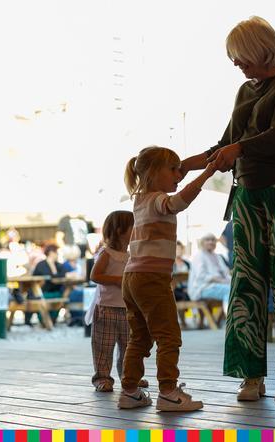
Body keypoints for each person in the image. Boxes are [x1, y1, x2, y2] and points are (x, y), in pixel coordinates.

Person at [180, 16, 275, 404]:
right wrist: (186, 164)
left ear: (260, 48)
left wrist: (239, 149)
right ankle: (250, 375)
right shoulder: (244, 91)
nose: (235, 64)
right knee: (244, 282)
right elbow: (227, 142)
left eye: (239, 55)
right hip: (247, 191)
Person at [118, 145, 217, 411]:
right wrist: (207, 173)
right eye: (173, 169)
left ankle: (129, 391)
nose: (179, 174)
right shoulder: (156, 200)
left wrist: (185, 166)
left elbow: (172, 184)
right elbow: (178, 202)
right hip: (151, 277)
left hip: (132, 277)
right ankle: (168, 392)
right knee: (169, 336)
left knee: (139, 337)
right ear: (152, 173)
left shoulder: (139, 199)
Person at [88, 210, 148, 393]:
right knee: (103, 346)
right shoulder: (107, 253)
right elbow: (95, 275)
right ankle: (102, 378)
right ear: (120, 230)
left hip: (127, 308)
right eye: (133, 227)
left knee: (129, 346)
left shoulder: (131, 255)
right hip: (106, 308)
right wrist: (117, 280)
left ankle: (129, 376)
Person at [188, 233, 231, 311]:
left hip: (217, 285)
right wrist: (218, 280)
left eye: (213, 240)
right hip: (202, 288)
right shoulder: (199, 256)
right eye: (207, 240)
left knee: (236, 288)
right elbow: (201, 276)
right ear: (202, 242)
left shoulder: (217, 256)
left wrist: (232, 281)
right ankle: (230, 317)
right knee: (230, 290)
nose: (211, 242)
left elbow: (225, 273)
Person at [31, 244, 66, 324]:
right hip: (42, 292)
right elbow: (50, 278)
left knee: (62, 295)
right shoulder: (41, 265)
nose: (58, 255)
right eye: (56, 253)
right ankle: (44, 320)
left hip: (56, 292)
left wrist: (52, 265)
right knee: (51, 296)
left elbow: (62, 275)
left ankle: (52, 320)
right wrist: (51, 265)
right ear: (51, 253)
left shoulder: (58, 265)